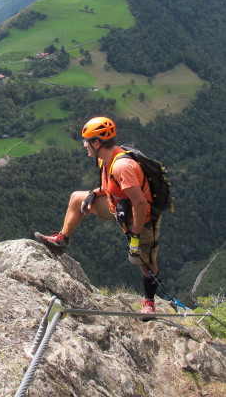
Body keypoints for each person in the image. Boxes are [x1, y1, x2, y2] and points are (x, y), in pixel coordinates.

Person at [33, 116, 162, 320]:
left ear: (97, 142)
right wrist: (95, 193)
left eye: (87, 140)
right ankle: (61, 241)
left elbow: (139, 203)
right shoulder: (104, 159)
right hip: (117, 206)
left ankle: (149, 303)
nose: (84, 144)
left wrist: (135, 236)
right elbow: (112, 187)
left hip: (141, 218)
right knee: (77, 198)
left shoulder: (122, 166)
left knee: (143, 260)